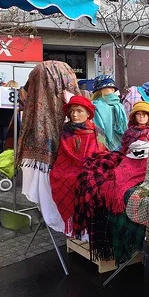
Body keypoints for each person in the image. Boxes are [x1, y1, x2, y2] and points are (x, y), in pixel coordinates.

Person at [17, 61, 81, 233]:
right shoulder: (73, 107)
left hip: (45, 164)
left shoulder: (34, 112)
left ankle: (61, 223)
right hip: (51, 165)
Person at [50, 95, 107, 235]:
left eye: (79, 111)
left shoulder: (98, 131)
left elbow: (104, 152)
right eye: (71, 111)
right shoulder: (65, 132)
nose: (74, 115)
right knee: (65, 180)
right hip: (67, 168)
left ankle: (90, 227)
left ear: (88, 113)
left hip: (91, 167)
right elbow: (62, 156)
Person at [91, 75, 127, 151]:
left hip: (122, 144)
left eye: (113, 87)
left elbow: (125, 126)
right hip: (103, 146)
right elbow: (98, 129)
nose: (113, 89)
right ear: (101, 89)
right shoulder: (95, 106)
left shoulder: (118, 104)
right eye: (109, 86)